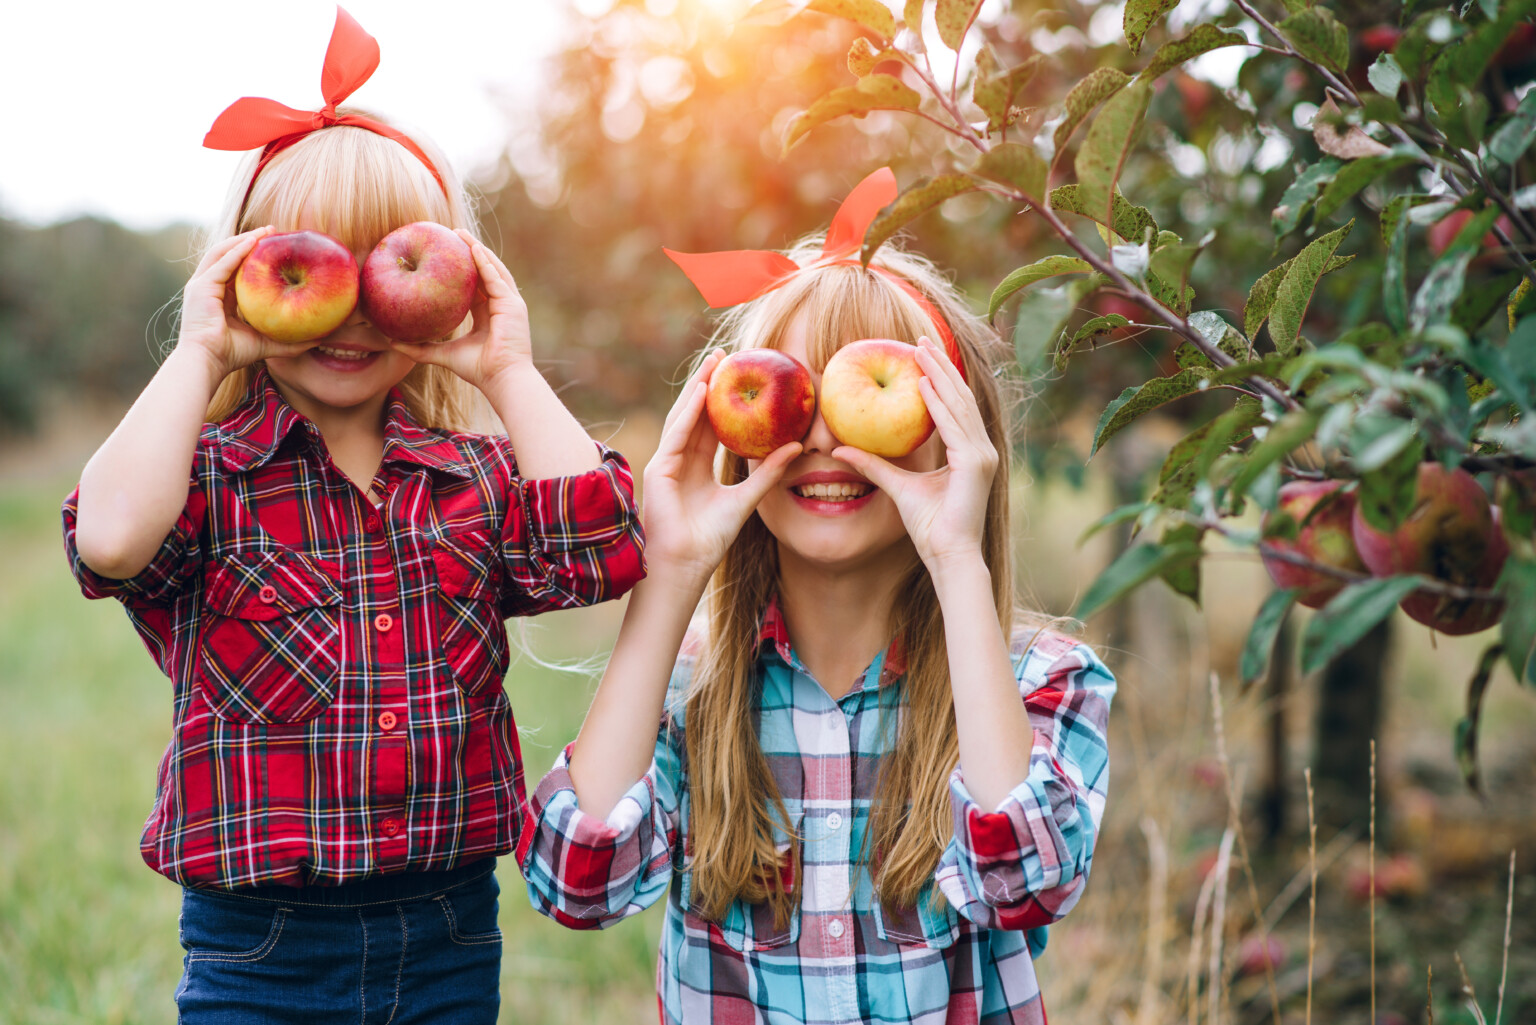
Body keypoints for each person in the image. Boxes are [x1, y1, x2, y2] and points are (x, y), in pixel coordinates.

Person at [59, 9, 644, 1023]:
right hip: (259, 945)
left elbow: (603, 548)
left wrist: (507, 366)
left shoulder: (471, 475)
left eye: (394, 263)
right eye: (310, 264)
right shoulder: (209, 480)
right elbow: (108, 539)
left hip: (449, 931)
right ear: (244, 275)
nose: (357, 304)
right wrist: (200, 353)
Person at [518, 168, 1115, 1024]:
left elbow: (1026, 880)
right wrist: (673, 571)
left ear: (957, 430)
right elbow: (576, 881)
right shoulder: (694, 687)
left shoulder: (1038, 680)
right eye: (794, 395)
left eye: (870, 391)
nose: (830, 437)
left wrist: (957, 556)